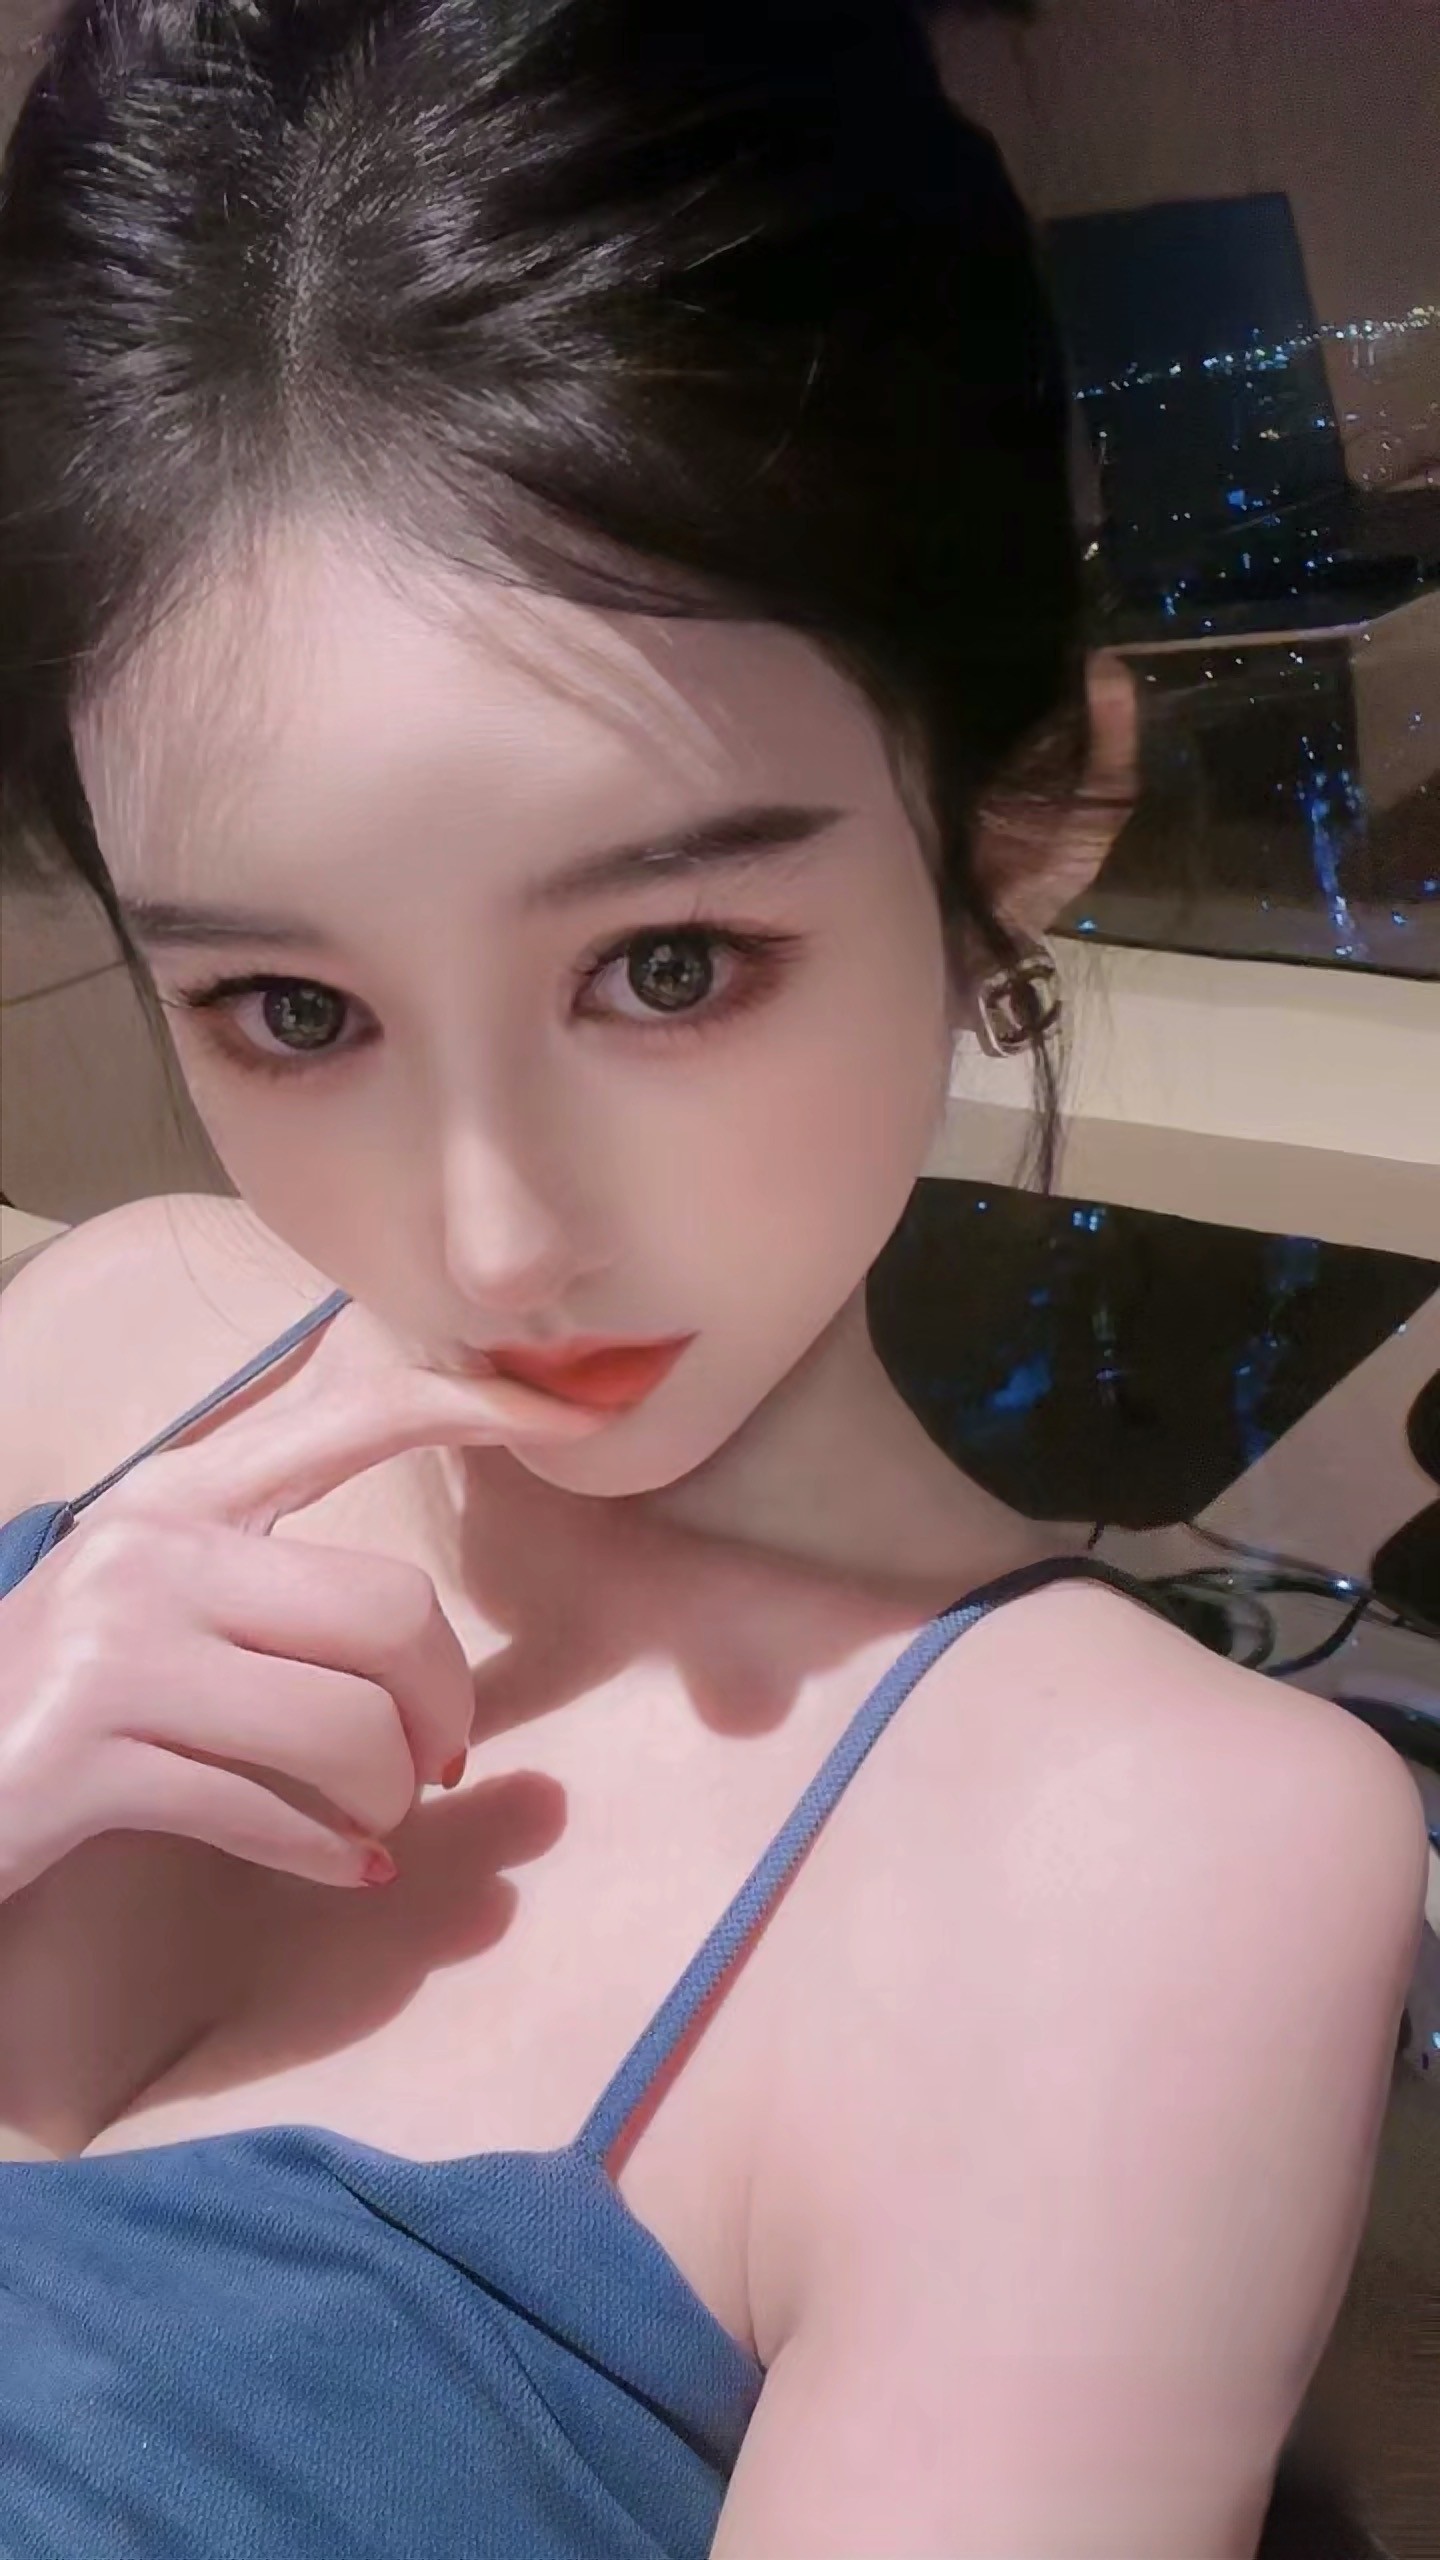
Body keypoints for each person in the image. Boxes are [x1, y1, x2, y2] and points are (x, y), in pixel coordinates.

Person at [0, 4, 1428, 2553]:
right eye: (290, 1007)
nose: (484, 1239)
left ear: (1023, 815)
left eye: (667, 962)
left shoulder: (1131, 1869)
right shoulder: (112, 1333)